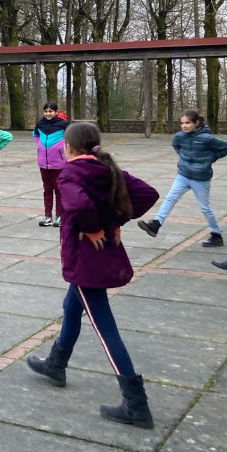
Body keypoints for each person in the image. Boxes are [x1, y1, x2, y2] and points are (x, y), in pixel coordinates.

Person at [26, 122, 159, 428]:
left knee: (104, 327)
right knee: (71, 307)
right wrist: (115, 220)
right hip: (99, 257)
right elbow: (146, 194)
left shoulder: (71, 172)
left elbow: (77, 204)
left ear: (68, 148)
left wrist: (94, 226)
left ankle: (136, 404)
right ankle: (56, 364)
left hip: (88, 261)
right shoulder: (109, 170)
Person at [137, 110, 227, 248]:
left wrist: (211, 158)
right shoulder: (179, 137)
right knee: (170, 198)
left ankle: (216, 235)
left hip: (200, 178)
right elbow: (176, 146)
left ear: (196, 123)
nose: (184, 126)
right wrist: (184, 157)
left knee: (204, 208)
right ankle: (156, 224)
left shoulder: (207, 138)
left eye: (187, 123)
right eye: (182, 123)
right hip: (183, 175)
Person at [34, 102, 69, 227]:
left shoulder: (63, 124)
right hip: (43, 163)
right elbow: (36, 135)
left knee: (59, 189)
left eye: (51, 111)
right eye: (46, 111)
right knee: (47, 189)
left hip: (59, 163)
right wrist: (40, 146)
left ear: (56, 112)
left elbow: (70, 138)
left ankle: (59, 216)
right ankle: (47, 216)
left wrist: (61, 148)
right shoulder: (40, 124)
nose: (48, 113)